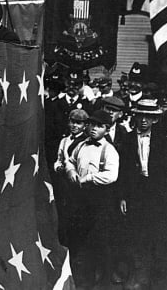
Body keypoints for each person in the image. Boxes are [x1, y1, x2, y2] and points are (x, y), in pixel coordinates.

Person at [119, 99, 167, 288]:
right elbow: (123, 170)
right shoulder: (127, 139)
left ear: (155, 120)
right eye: (141, 116)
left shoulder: (162, 140)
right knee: (135, 231)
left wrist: (164, 194)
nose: (143, 121)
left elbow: (166, 170)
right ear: (135, 116)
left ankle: (155, 275)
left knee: (155, 231)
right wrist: (123, 196)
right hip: (135, 190)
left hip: (155, 191)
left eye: (148, 117)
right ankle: (137, 273)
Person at [65, 109, 119, 289]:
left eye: (99, 126)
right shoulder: (81, 145)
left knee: (101, 240)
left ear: (108, 129)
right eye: (91, 125)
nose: (94, 129)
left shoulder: (108, 150)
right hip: (81, 198)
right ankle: (84, 279)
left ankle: (104, 280)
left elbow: (111, 175)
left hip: (100, 199)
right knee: (82, 239)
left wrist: (89, 178)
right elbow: (70, 160)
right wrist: (71, 170)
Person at [53, 108, 89, 245]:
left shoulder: (86, 142)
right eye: (72, 122)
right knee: (63, 211)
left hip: (77, 181)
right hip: (63, 181)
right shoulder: (64, 140)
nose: (75, 126)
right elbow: (59, 158)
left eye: (79, 123)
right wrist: (58, 167)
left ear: (85, 126)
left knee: (77, 212)